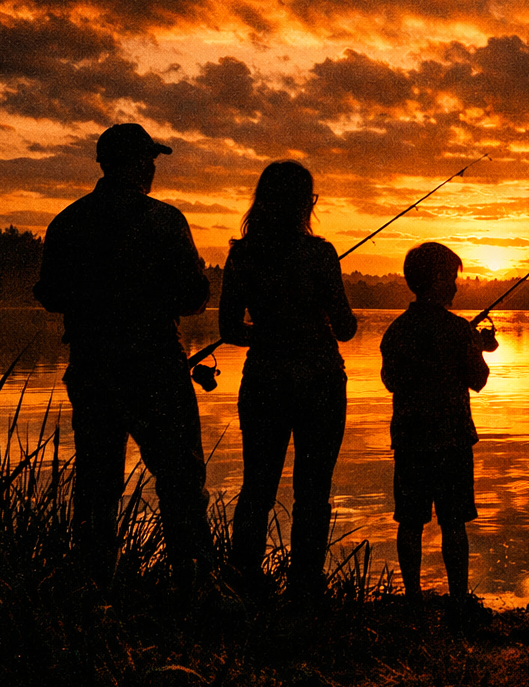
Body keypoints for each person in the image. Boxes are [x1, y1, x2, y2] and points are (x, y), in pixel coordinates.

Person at [33, 123, 215, 584]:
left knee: (97, 484)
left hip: (92, 368)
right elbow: (193, 297)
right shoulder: (164, 220)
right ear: (136, 164)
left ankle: (95, 585)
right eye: (150, 161)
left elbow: (50, 294)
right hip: (155, 366)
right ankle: (193, 584)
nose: (154, 169)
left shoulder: (67, 222)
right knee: (181, 479)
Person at [218, 161, 357, 601]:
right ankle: (304, 587)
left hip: (263, 378)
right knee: (313, 490)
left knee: (257, 486)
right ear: (306, 203)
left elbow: (228, 328)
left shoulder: (242, 254)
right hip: (319, 379)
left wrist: (266, 331)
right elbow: (346, 327)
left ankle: (243, 580)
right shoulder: (320, 254)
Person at [379, 242, 496, 608]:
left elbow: (390, 381)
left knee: (410, 521)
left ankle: (412, 595)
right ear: (440, 279)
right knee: (454, 522)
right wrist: (474, 346)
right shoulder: (459, 331)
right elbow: (478, 379)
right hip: (452, 440)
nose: (458, 287)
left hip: (410, 439)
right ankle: (458, 597)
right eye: (454, 278)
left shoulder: (396, 330)